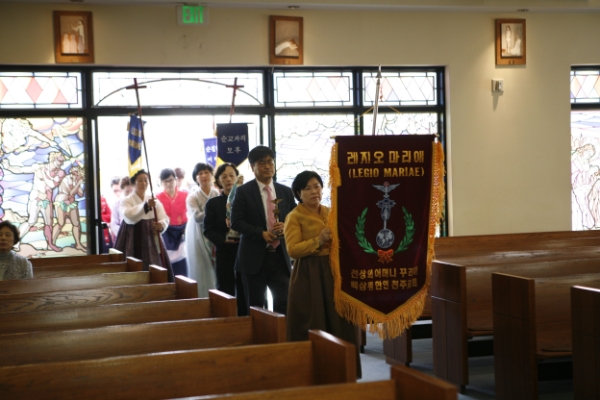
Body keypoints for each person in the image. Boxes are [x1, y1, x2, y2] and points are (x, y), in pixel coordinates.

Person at [284, 170, 361, 376]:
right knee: (313, 320)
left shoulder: (330, 213)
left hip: (333, 272)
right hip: (309, 274)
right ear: (299, 193)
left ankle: (343, 369)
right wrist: (317, 241)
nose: (314, 191)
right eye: (308, 188)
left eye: (317, 186)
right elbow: (292, 250)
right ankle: (313, 372)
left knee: (339, 321)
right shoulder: (294, 216)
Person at [230, 146, 296, 315]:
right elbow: (236, 222)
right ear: (252, 167)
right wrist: (260, 233)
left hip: (280, 258)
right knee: (256, 307)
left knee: (284, 303)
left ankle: (282, 332)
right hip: (253, 259)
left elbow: (295, 218)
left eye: (270, 162)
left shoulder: (285, 192)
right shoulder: (243, 192)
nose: (267, 166)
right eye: (261, 163)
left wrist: (286, 226)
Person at [114, 169, 174, 281]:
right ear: (133, 183)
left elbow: (164, 218)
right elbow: (128, 215)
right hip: (132, 238)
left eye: (146, 180)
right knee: (133, 268)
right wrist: (145, 206)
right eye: (140, 180)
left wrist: (161, 225)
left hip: (152, 238)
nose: (144, 183)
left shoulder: (153, 200)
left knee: (155, 269)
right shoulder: (126, 201)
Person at [204, 163, 247, 316]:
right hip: (225, 250)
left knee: (245, 289)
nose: (229, 179)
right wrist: (222, 240)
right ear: (218, 181)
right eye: (224, 176)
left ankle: (245, 320)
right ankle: (226, 321)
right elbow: (208, 230)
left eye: (231, 175)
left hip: (245, 250)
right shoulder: (213, 203)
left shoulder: (246, 200)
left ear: (237, 178)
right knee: (225, 289)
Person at [1, 151, 66, 252]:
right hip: (35, 198)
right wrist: (8, 167)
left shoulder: (60, 172)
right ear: (53, 159)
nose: (61, 163)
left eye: (62, 161)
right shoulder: (39, 167)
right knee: (31, 221)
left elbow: (52, 185)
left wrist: (44, 173)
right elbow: (21, 170)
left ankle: (50, 244)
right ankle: (16, 242)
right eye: (59, 160)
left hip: (47, 201)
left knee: (49, 223)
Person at [185, 162, 219, 296]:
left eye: (206, 172)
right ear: (196, 178)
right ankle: (202, 295)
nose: (204, 175)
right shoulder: (192, 197)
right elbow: (197, 217)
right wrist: (214, 212)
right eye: (200, 173)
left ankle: (218, 294)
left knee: (216, 265)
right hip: (197, 232)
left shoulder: (217, 193)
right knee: (200, 265)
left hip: (215, 231)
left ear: (212, 175)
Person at [157, 168, 189, 277]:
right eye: (165, 181)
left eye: (171, 180)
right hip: (166, 232)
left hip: (182, 232)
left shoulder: (185, 195)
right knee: (167, 262)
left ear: (176, 180)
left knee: (182, 262)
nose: (169, 183)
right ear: (161, 182)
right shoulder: (157, 198)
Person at [52, 163, 86, 251]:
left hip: (71, 203)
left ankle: (78, 244)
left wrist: (78, 184)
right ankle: (52, 243)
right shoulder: (67, 179)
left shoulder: (76, 181)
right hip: (61, 202)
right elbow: (71, 192)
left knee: (76, 223)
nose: (76, 175)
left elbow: (81, 193)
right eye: (75, 173)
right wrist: (78, 184)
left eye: (78, 175)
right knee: (60, 223)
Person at [110, 176, 133, 243]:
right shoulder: (117, 204)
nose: (130, 194)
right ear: (123, 190)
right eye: (127, 191)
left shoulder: (140, 203)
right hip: (123, 238)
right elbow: (114, 224)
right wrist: (124, 233)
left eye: (132, 191)